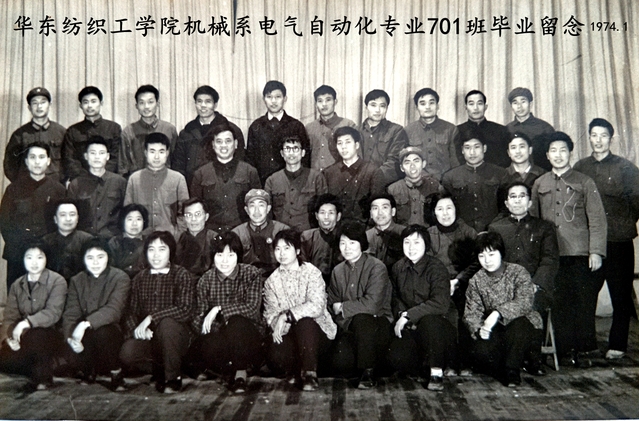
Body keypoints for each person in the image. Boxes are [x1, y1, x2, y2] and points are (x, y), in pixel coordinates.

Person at [530, 131, 607, 367]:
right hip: (552, 255)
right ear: (547, 155)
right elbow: (534, 220)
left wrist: (596, 251)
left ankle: (584, 350)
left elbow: (597, 219)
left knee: (582, 302)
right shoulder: (540, 183)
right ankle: (563, 350)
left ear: (570, 153)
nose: (558, 155)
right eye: (553, 151)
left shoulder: (585, 182)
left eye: (563, 150)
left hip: (579, 253)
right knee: (559, 303)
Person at [574, 118, 639, 360]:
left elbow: (637, 201)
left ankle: (618, 344)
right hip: (590, 244)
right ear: (589, 137)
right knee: (586, 295)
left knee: (620, 296)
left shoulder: (626, 168)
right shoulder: (581, 167)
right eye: (594, 135)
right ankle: (586, 344)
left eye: (603, 135)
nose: (598, 140)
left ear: (611, 139)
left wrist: (621, 223)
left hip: (618, 242)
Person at [489, 182, 559, 375]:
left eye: (522, 196)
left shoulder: (544, 228)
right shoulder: (496, 228)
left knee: (530, 305)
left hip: (536, 287)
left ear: (529, 202)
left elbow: (550, 260)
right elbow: (493, 261)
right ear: (506, 203)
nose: (517, 200)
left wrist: (534, 284)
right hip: (505, 287)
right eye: (513, 196)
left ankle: (533, 359)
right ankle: (515, 360)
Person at [120, 231, 196, 394]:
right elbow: (131, 312)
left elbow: (185, 309)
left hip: (176, 338)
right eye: (151, 249)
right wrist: (138, 331)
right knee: (127, 353)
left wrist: (151, 318)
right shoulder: (140, 278)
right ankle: (161, 370)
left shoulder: (181, 275)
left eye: (162, 249)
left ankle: (172, 378)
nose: (156, 255)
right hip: (150, 339)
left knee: (168, 324)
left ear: (171, 252)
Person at [187, 231, 264, 394]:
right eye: (220, 255)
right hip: (220, 339)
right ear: (213, 256)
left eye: (231, 255)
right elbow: (198, 319)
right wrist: (220, 327)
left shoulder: (252, 274)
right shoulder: (206, 280)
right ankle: (228, 370)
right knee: (206, 343)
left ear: (238, 256)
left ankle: (240, 376)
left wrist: (219, 309)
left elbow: (252, 308)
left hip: (248, 337)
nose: (225, 261)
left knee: (237, 322)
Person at [464, 231, 543, 387]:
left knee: (519, 326)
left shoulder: (518, 272)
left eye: (491, 254)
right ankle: (513, 362)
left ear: (501, 253)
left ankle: (512, 371)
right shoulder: (476, 280)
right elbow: (471, 313)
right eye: (481, 256)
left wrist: (497, 313)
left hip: (523, 325)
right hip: (495, 329)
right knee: (480, 353)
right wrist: (479, 329)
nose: (487, 260)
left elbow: (524, 302)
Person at [263, 230, 337, 391]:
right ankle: (296, 369)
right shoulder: (271, 281)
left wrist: (287, 316)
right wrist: (281, 320)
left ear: (297, 250)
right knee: (275, 356)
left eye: (287, 248)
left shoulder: (312, 272)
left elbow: (316, 306)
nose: (282, 253)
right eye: (277, 249)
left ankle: (310, 373)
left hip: (316, 332)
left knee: (305, 323)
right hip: (289, 334)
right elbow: (271, 315)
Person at [388, 225, 457, 391]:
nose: (411, 247)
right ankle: (422, 367)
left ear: (426, 245)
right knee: (396, 359)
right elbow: (395, 297)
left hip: (439, 327)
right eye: (407, 242)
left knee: (430, 322)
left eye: (417, 242)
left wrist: (409, 315)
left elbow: (440, 303)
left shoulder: (436, 267)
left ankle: (436, 372)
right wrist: (401, 314)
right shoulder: (398, 267)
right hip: (412, 326)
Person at [327, 221, 393, 389]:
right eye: (343, 243)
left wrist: (343, 308)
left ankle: (368, 372)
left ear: (362, 244)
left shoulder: (377, 267)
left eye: (352, 243)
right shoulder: (338, 270)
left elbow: (372, 305)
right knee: (339, 364)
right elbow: (332, 302)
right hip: (348, 325)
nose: (347, 248)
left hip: (376, 324)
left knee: (363, 319)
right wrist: (339, 309)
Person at [62, 238, 131, 391]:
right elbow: (71, 313)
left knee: (103, 332)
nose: (95, 263)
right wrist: (71, 338)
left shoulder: (120, 277)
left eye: (100, 257)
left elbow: (114, 310)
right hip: (85, 335)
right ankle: (88, 370)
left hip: (111, 333)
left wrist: (85, 324)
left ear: (108, 257)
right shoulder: (77, 280)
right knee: (70, 352)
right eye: (90, 258)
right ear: (83, 259)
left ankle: (116, 372)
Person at [0, 242, 67, 390]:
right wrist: (9, 339)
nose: (34, 262)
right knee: (4, 360)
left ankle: (44, 378)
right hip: (25, 336)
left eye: (39, 257)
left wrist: (25, 323)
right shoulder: (17, 284)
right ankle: (45, 365)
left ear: (46, 259)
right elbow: (10, 316)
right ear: (23, 259)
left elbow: (53, 313)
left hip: (50, 334)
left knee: (37, 335)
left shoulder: (57, 281)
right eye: (29, 257)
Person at [0, 142, 66, 286]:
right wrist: (22, 249)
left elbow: (63, 223)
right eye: (32, 157)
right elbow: (4, 223)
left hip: (49, 255)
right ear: (26, 161)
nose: (37, 162)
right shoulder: (13, 189)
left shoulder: (59, 190)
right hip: (18, 255)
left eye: (41, 157)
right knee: (18, 293)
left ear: (48, 161)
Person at [189, 124, 261, 235]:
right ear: (213, 145)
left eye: (228, 141)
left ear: (235, 144)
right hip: (211, 234)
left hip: (242, 233)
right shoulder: (201, 174)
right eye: (219, 141)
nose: (223, 145)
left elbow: (259, 206)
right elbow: (195, 208)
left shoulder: (250, 171)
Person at [173, 85, 245, 184]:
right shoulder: (186, 132)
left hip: (222, 184)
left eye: (208, 101)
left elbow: (240, 161)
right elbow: (178, 164)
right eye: (199, 101)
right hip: (192, 185)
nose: (203, 105)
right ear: (195, 104)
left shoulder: (231, 130)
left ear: (215, 105)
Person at [124, 132, 189, 236]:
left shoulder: (178, 179)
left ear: (167, 153)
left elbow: (185, 212)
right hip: (141, 238)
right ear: (145, 153)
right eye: (152, 151)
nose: (157, 157)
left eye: (161, 151)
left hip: (170, 238)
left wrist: (178, 236)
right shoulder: (134, 179)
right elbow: (127, 213)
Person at [246, 80, 310, 184]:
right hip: (262, 183)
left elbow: (305, 158)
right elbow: (250, 159)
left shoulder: (296, 126)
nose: (273, 101)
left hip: (290, 183)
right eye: (269, 97)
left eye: (278, 97)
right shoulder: (256, 126)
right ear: (264, 99)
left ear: (285, 98)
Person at [442, 135, 507, 232]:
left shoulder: (500, 174)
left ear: (484, 148)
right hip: (461, 232)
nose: (472, 152)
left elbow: (505, 208)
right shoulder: (450, 177)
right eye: (467, 148)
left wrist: (492, 228)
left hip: (493, 231)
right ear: (462, 150)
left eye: (476, 147)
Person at [68, 136, 127, 238]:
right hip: (85, 239)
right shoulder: (76, 184)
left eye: (101, 153)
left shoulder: (120, 182)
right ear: (86, 156)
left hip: (112, 239)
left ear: (107, 156)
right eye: (93, 153)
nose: (97, 157)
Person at [264, 136, 327, 231]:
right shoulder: (272, 180)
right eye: (287, 149)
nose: (291, 153)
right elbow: (267, 212)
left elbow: (324, 208)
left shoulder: (316, 177)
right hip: (281, 234)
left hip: (308, 234)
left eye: (295, 148)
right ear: (282, 153)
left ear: (303, 153)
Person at [4, 87, 66, 182]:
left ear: (49, 105)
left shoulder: (61, 132)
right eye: (35, 103)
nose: (39, 106)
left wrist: (60, 182)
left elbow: (69, 160)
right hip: (27, 187)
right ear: (29, 107)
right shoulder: (19, 134)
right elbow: (10, 164)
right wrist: (21, 183)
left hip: (55, 186)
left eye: (43, 102)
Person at [62, 86, 121, 181]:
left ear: (101, 103)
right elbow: (70, 159)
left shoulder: (114, 128)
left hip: (108, 180)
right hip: (81, 181)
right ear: (81, 106)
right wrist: (86, 177)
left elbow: (116, 157)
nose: (89, 106)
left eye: (93, 101)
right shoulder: (73, 131)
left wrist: (102, 175)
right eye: (85, 102)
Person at [119, 85, 179, 178]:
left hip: (165, 180)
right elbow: (123, 166)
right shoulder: (128, 132)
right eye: (142, 103)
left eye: (150, 102)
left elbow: (176, 161)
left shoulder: (169, 129)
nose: (146, 107)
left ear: (157, 104)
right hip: (138, 181)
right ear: (136, 106)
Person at [323, 126, 378, 222]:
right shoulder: (328, 173)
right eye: (340, 143)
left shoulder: (372, 171)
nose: (343, 147)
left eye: (348, 142)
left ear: (357, 145)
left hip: (363, 227)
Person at [403, 88, 460, 181]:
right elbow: (405, 162)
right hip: (418, 182)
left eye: (431, 103)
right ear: (417, 107)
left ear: (437, 106)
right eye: (422, 104)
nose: (427, 107)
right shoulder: (408, 130)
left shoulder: (451, 129)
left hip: (445, 182)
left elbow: (455, 162)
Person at [231, 189, 289, 278]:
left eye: (261, 205)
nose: (257, 211)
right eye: (252, 206)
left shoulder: (282, 230)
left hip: (277, 278)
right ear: (246, 210)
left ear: (268, 209)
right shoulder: (236, 233)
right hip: (246, 280)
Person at [358, 89, 408, 190]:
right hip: (358, 185)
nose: (377, 110)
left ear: (386, 108)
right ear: (366, 107)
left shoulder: (396, 130)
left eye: (382, 106)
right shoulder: (356, 131)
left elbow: (395, 161)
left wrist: (373, 179)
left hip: (384, 185)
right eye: (373, 105)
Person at [305, 85, 357, 171]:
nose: (324, 104)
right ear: (316, 104)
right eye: (320, 101)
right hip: (315, 176)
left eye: (328, 100)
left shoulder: (348, 124)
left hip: (341, 176)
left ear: (335, 102)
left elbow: (355, 157)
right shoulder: (309, 128)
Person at [387, 146, 443, 226]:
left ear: (423, 164)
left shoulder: (435, 187)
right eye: (407, 162)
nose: (412, 166)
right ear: (401, 167)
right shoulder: (392, 190)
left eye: (416, 161)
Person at [455, 90, 511, 168]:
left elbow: (506, 159)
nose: (475, 108)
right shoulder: (457, 131)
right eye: (471, 104)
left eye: (479, 103)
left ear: (485, 107)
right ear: (466, 107)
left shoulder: (500, 130)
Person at [42, 199, 94, 280]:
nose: (68, 219)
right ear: (55, 219)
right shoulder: (46, 241)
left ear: (77, 218)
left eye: (72, 214)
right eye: (63, 215)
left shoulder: (88, 240)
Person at [506, 88, 554, 171]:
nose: (519, 106)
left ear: (530, 104)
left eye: (523, 101)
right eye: (515, 103)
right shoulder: (506, 129)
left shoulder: (545, 128)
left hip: (541, 174)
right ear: (511, 106)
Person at [300, 194, 344, 285]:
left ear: (338, 216)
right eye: (322, 213)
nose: (326, 217)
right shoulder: (307, 238)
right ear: (316, 216)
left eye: (331, 213)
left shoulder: (345, 238)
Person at [175, 198, 217, 276]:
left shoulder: (214, 238)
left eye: (198, 214)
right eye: (189, 215)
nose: (193, 219)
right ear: (184, 219)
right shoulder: (180, 238)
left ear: (206, 217)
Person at [366, 193, 406, 271]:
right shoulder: (366, 236)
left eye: (384, 207)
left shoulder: (405, 233)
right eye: (375, 208)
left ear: (393, 211)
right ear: (371, 214)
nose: (380, 213)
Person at [108, 204, 149, 279]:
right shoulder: (114, 242)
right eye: (130, 219)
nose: (134, 224)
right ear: (123, 221)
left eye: (138, 219)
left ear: (144, 221)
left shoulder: (149, 242)